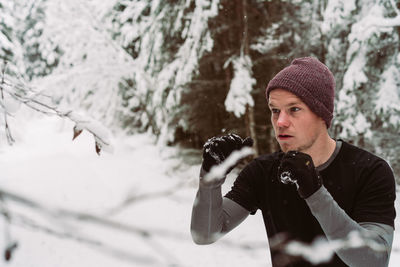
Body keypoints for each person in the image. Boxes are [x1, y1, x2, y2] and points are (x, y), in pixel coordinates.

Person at [190, 57, 396, 267]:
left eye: (294, 109)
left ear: (322, 114)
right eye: (275, 110)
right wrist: (211, 178)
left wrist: (315, 193)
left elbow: (373, 261)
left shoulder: (370, 171)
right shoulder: (263, 171)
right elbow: (205, 234)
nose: (280, 122)